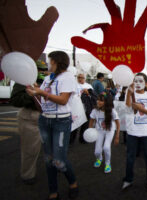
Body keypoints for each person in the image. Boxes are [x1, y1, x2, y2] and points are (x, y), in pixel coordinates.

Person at [26, 51, 78, 200]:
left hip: (61, 122)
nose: (48, 64)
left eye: (50, 61)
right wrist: (34, 91)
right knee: (48, 159)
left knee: (59, 160)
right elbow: (42, 97)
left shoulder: (68, 77)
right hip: (45, 120)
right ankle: (53, 191)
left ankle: (73, 182)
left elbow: (62, 100)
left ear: (57, 62)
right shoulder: (48, 78)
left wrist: (41, 92)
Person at [10, 60, 47, 185]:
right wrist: (32, 94)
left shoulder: (47, 80)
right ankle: (28, 174)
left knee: (52, 148)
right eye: (40, 70)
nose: (42, 72)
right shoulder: (24, 81)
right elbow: (15, 100)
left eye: (44, 69)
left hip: (48, 117)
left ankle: (55, 168)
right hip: (30, 117)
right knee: (30, 150)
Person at [122, 73, 147, 191]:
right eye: (135, 81)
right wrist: (128, 93)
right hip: (132, 132)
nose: (137, 83)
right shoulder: (130, 93)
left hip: (146, 132)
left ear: (146, 83)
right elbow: (127, 109)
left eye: (140, 81)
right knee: (130, 156)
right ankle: (128, 179)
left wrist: (142, 109)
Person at [89, 93, 120, 173]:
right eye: (98, 99)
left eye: (101, 100)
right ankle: (99, 159)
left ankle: (107, 163)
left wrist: (117, 136)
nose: (98, 101)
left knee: (106, 147)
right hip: (99, 131)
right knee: (97, 151)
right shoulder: (95, 110)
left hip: (110, 131)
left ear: (107, 102)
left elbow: (118, 123)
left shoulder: (112, 111)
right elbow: (91, 121)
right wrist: (90, 132)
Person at [70, 73, 95, 144]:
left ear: (85, 78)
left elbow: (93, 96)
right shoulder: (74, 85)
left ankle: (83, 138)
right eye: (79, 77)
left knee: (85, 124)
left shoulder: (88, 86)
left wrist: (88, 93)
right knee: (75, 123)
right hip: (76, 107)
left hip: (86, 107)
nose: (80, 79)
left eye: (82, 77)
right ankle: (71, 140)